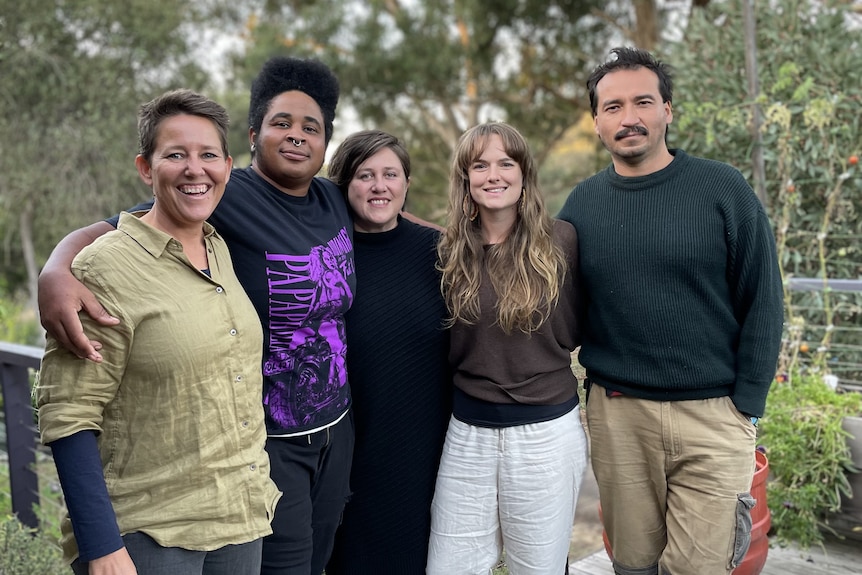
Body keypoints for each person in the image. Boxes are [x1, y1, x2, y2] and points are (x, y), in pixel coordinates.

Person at [37, 57, 356, 575]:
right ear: (146, 167)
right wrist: (56, 269)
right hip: (156, 522)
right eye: (176, 155)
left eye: (208, 155)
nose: (195, 168)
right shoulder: (128, 256)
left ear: (224, 165)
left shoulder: (219, 245)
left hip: (242, 502)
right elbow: (69, 412)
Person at [556, 47, 784, 575]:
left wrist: (745, 405)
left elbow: (764, 301)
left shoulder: (723, 189)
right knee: (632, 564)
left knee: (699, 568)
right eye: (612, 107)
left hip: (714, 416)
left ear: (668, 111)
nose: (628, 118)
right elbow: (559, 307)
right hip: (620, 417)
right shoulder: (582, 206)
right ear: (596, 122)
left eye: (642, 102)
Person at [427, 122, 588, 575]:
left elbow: (580, 326)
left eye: (505, 163)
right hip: (468, 433)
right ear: (465, 178)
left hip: (545, 435)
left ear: (523, 173)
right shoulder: (447, 252)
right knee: (448, 567)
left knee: (537, 568)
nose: (493, 175)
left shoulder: (561, 243)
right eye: (480, 165)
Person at [323, 130, 451, 574]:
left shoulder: (440, 252)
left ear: (406, 184)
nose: (379, 186)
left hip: (429, 448)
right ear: (343, 184)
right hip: (350, 452)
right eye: (365, 175)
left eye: (390, 174)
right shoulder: (325, 257)